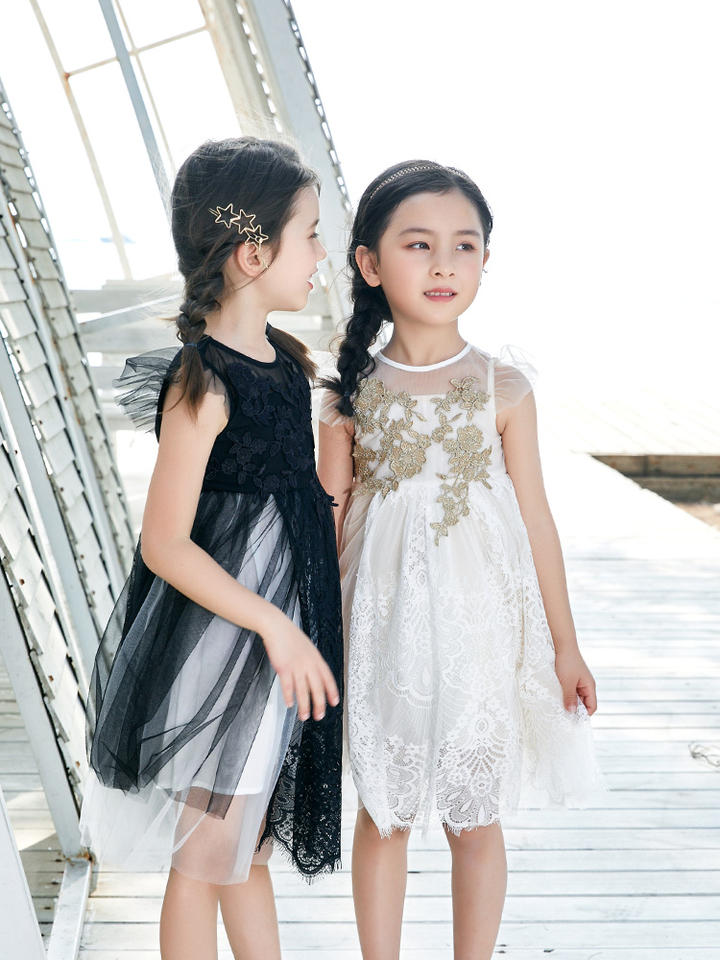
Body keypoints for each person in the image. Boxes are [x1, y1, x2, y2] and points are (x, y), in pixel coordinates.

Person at [317, 161, 604, 960]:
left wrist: (566, 645)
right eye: (419, 245)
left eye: (464, 246)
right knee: (384, 809)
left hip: (480, 628)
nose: (444, 264)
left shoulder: (502, 387)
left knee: (474, 816)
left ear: (484, 260)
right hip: (381, 630)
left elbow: (536, 520)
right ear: (371, 263)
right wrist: (313, 637)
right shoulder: (347, 396)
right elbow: (326, 525)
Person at [80, 137, 343, 960]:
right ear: (253, 253)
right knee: (203, 856)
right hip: (225, 645)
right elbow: (164, 543)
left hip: (274, 639)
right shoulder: (203, 380)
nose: (321, 253)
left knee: (244, 848)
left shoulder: (287, 365)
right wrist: (275, 625)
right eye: (309, 235)